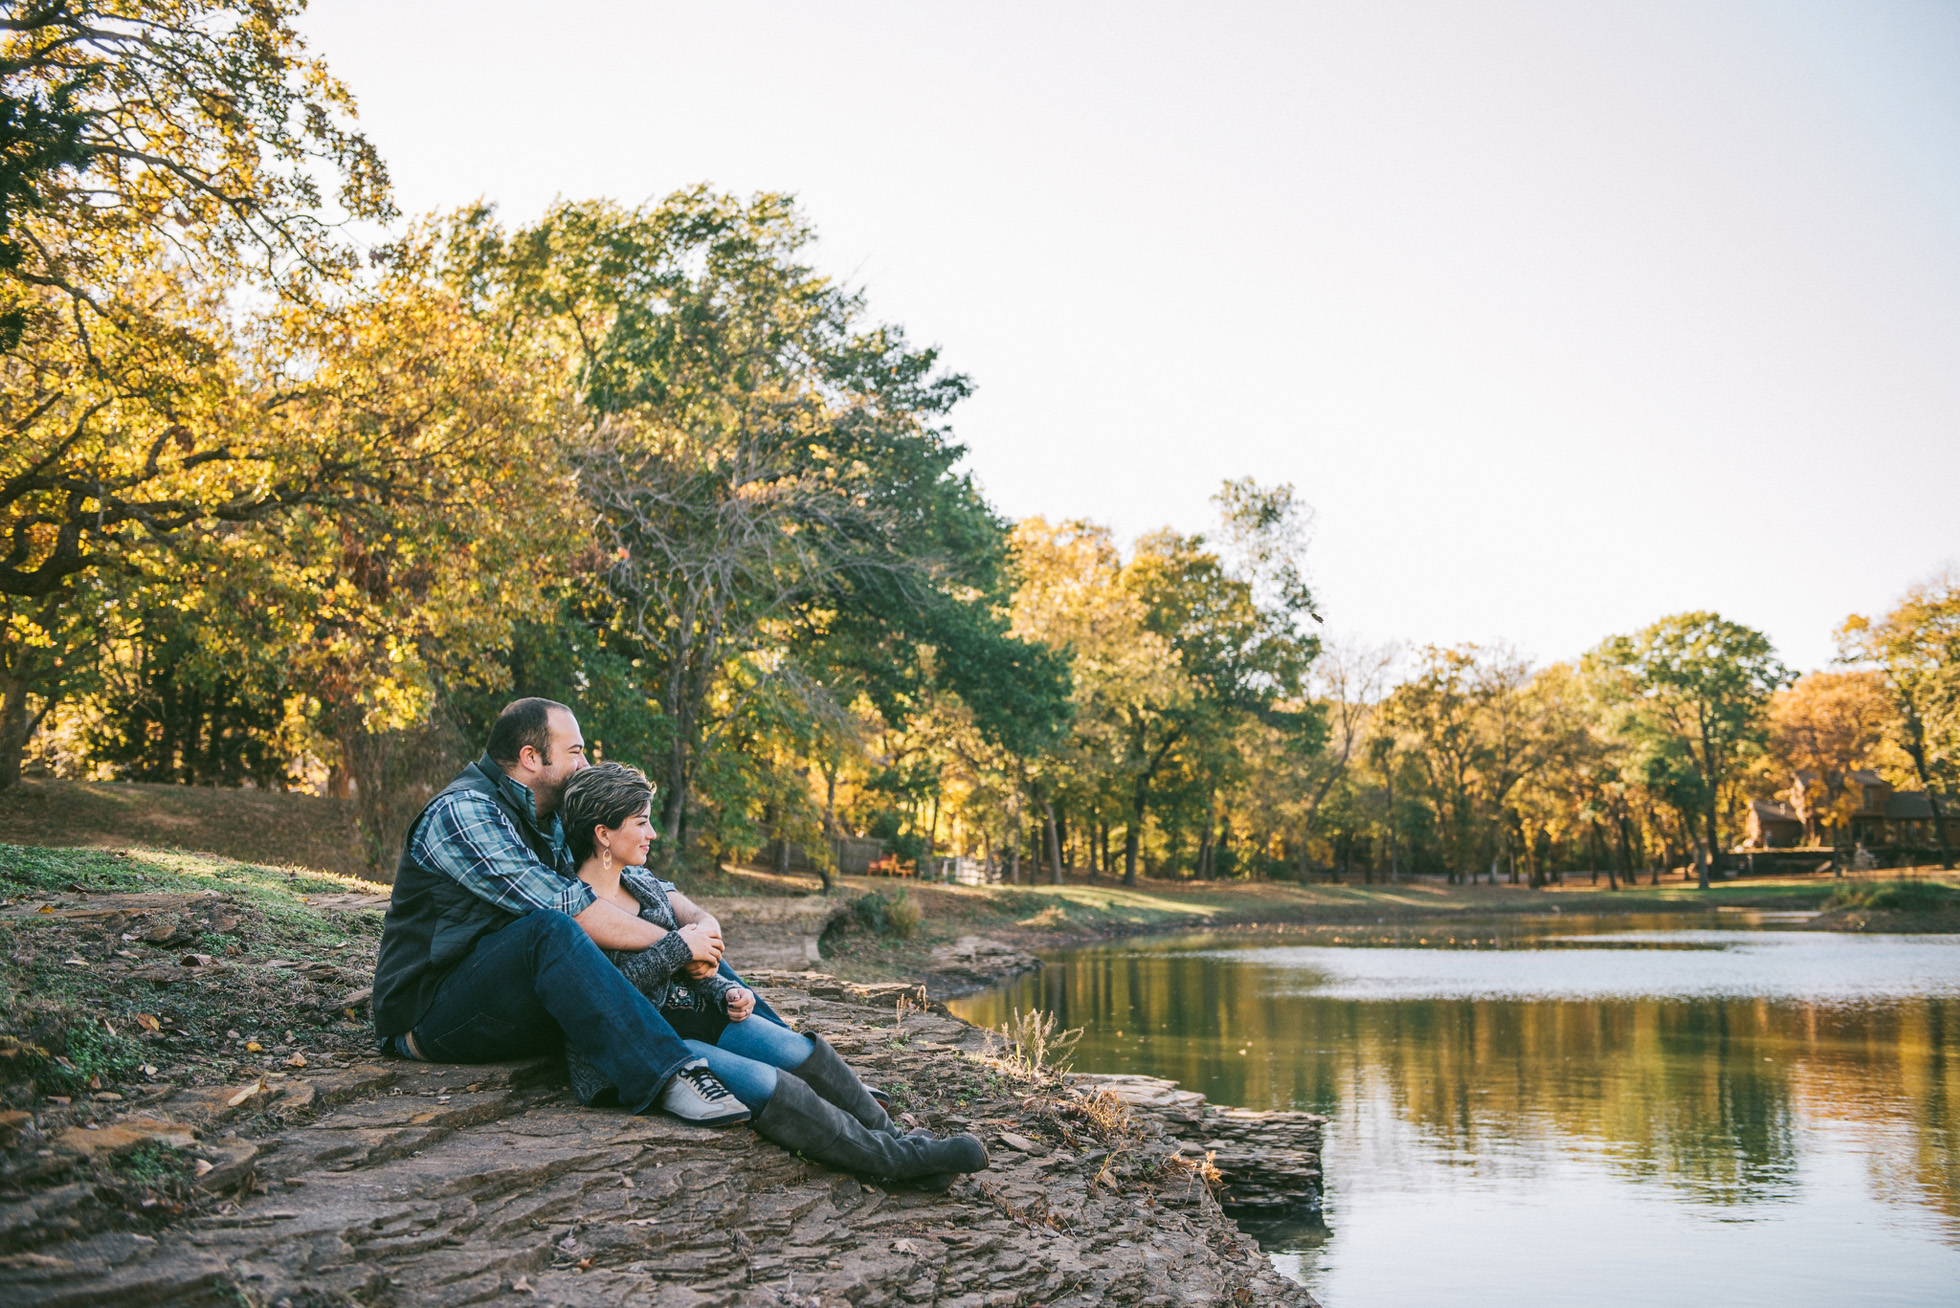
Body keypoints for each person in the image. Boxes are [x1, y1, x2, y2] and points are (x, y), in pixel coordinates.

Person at [556, 762, 990, 1187]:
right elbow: (609, 998)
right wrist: (678, 947)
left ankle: (897, 1139)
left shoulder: (642, 884)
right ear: (603, 833)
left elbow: (689, 965)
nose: (652, 833)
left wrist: (725, 990)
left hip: (697, 1017)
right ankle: (900, 1162)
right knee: (773, 1085)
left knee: (802, 1052)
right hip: (651, 1046)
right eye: (641, 823)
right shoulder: (574, 911)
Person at [371, 698, 748, 1125]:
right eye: (575, 752)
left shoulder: (546, 817)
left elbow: (642, 881)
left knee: (672, 930)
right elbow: (570, 910)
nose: (584, 765)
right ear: (531, 757)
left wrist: (701, 924)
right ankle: (670, 1076)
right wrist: (678, 945)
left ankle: (779, 1045)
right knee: (550, 929)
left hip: (510, 1001)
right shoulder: (462, 812)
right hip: (431, 1016)